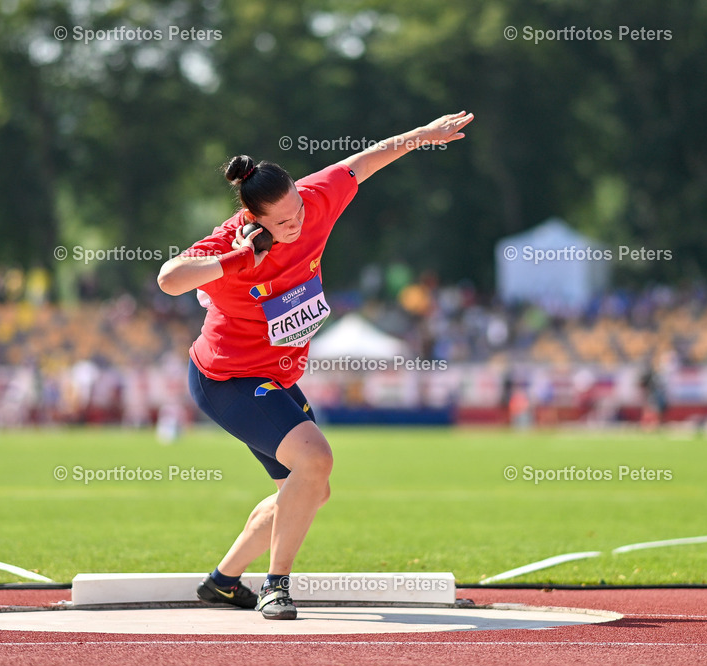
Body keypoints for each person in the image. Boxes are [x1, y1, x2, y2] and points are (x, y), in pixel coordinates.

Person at [157, 111, 474, 620]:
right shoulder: (230, 244)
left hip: (276, 376)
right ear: (255, 221)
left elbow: (368, 158)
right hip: (226, 379)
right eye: (283, 222)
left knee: (311, 489)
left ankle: (222, 581)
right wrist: (236, 262)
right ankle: (276, 586)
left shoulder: (313, 200)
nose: (298, 222)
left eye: (298, 209)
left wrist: (424, 136)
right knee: (316, 461)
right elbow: (170, 279)